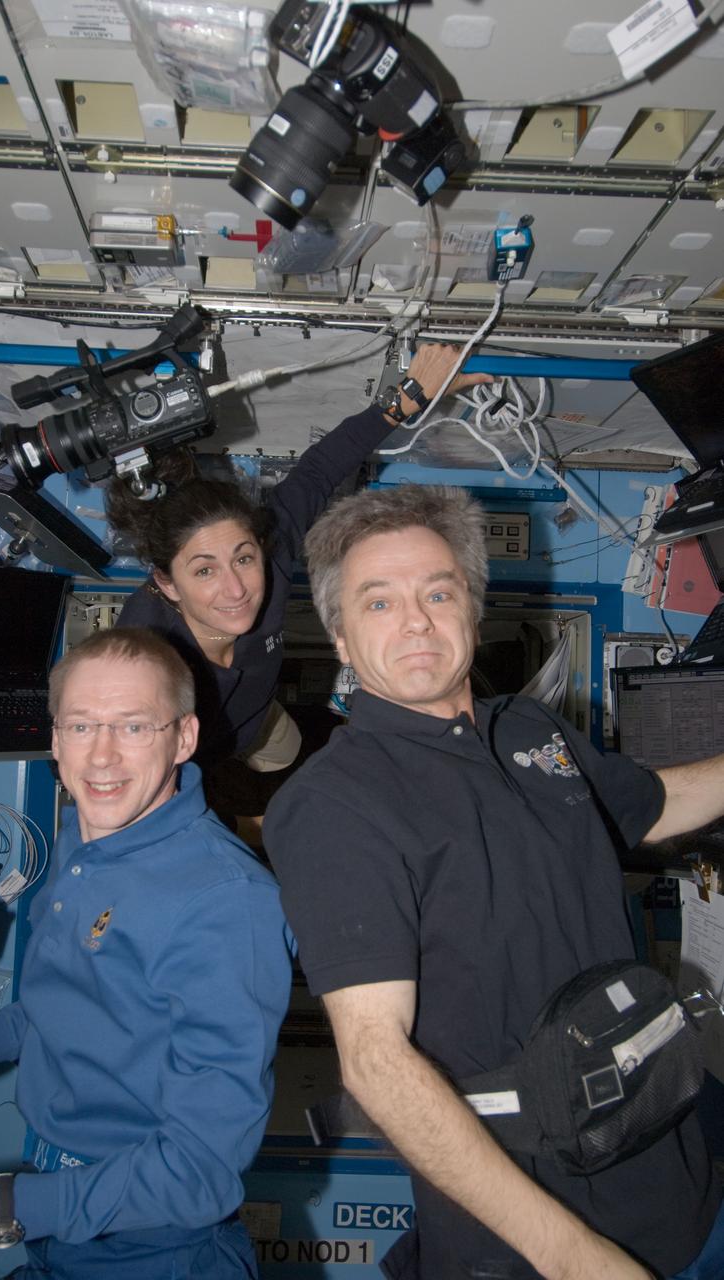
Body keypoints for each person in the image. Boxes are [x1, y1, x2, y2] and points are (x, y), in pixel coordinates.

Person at [262, 483, 724, 1280]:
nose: (416, 621)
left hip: (679, 1170)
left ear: (472, 612)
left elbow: (649, 807)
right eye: (379, 602)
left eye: (438, 593)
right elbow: (375, 1060)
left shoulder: (528, 728)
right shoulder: (333, 804)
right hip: (542, 1236)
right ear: (340, 637)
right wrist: (576, 1261)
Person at [0, 627, 294, 1279]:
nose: (101, 756)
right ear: (54, 738)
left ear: (184, 738)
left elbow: (198, 1175)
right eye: (80, 725)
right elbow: (78, 1000)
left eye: (134, 726)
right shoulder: (89, 836)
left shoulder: (226, 902)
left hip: (151, 1246)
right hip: (59, 1207)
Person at [107, 344, 492, 799]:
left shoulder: (274, 548)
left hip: (257, 719)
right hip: (187, 753)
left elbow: (319, 470)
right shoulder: (141, 659)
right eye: (204, 572)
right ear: (167, 583)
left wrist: (407, 397)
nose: (236, 589)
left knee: (286, 756)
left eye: (244, 559)